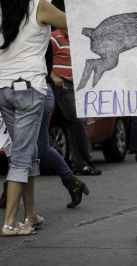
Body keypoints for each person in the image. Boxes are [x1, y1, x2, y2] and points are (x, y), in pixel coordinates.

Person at [0, 0, 67, 237]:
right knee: (21, 156)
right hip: (29, 89)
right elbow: (72, 23)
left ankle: (30, 215)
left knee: (27, 152)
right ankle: (9, 223)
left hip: (2, 89)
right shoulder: (40, 6)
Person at [0, 44, 89, 210]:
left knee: (30, 147)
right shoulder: (22, 31)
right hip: (28, 92)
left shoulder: (34, 32)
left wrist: (4, 56)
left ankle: (20, 203)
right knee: (28, 146)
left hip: (35, 93)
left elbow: (38, 63)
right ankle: (71, 183)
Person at [50, 28, 101, 175]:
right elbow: (42, 57)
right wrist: (53, 77)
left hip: (75, 85)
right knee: (78, 121)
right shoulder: (55, 38)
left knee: (74, 124)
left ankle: (79, 165)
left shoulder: (75, 38)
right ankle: (86, 161)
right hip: (62, 85)